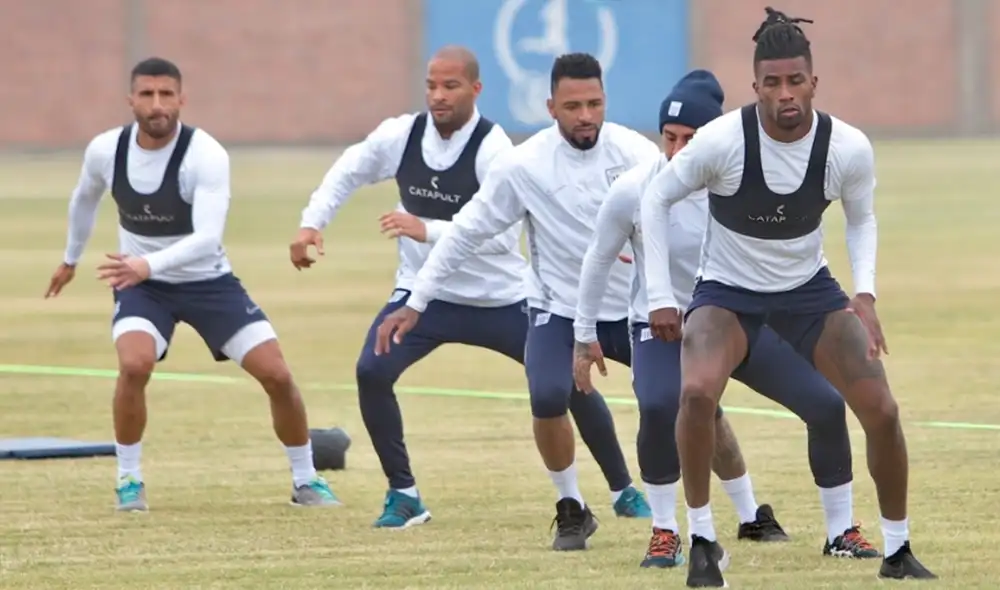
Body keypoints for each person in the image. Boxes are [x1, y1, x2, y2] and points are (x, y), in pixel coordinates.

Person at [375, 53, 788, 552]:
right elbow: (465, 233)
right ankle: (571, 507)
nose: (585, 115)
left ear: (605, 102)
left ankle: (748, 512)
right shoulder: (522, 166)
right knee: (547, 393)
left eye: (594, 103)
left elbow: (696, 226)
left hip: (640, 312)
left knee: (698, 402)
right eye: (572, 105)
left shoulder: (637, 153)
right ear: (551, 107)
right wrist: (417, 300)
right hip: (562, 310)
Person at [290, 46, 649, 529]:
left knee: (566, 383)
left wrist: (426, 228)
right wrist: (312, 223)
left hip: (503, 299)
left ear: (475, 90)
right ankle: (404, 495)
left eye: (451, 86)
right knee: (371, 371)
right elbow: (348, 170)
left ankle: (623, 489)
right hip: (427, 295)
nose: (439, 96)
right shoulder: (401, 136)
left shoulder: (497, 150)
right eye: (432, 86)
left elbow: (498, 236)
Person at [638, 8, 937, 586]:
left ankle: (897, 551)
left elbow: (861, 220)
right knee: (696, 393)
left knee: (883, 410)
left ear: (813, 82)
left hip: (808, 292)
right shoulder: (721, 142)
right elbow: (655, 198)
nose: (785, 94)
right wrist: (660, 296)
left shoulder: (846, 147)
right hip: (728, 292)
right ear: (755, 89)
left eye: (795, 80)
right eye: (772, 83)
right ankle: (703, 540)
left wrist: (866, 293)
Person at [574, 69, 877, 570]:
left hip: (743, 318)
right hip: (666, 328)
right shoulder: (635, 190)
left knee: (825, 404)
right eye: (669, 138)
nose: (677, 150)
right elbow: (598, 259)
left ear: (711, 139)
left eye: (689, 139)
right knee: (658, 404)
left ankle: (840, 530)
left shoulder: (738, 183)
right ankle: (667, 532)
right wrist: (585, 335)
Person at [44, 57, 338, 512]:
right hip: (143, 286)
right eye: (146, 95)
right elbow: (83, 198)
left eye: (166, 95)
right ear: (131, 100)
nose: (157, 105)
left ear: (182, 99)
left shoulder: (206, 155)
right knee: (135, 364)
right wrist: (71, 259)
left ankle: (306, 480)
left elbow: (207, 240)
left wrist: (145, 264)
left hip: (208, 283)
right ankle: (129, 480)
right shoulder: (106, 150)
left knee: (277, 375)